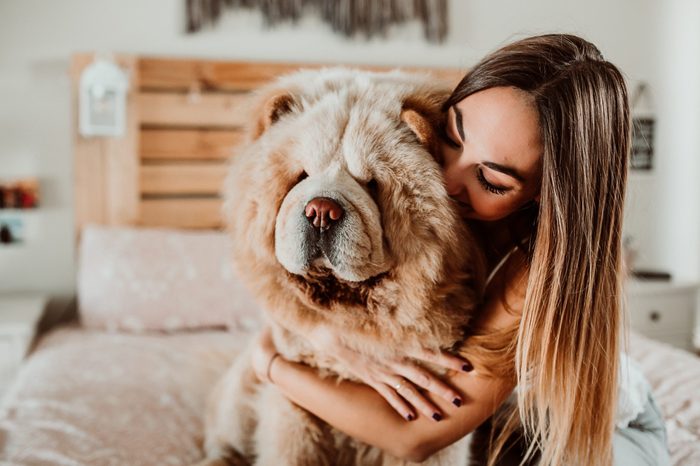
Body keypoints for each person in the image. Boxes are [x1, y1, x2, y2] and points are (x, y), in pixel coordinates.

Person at [249, 34, 670, 466]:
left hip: (604, 438)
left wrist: (269, 363)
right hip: (497, 418)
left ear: (545, 195)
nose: (447, 181)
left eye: (492, 180)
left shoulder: (535, 272)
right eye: (452, 137)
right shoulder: (413, 183)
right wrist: (323, 334)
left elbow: (413, 438)